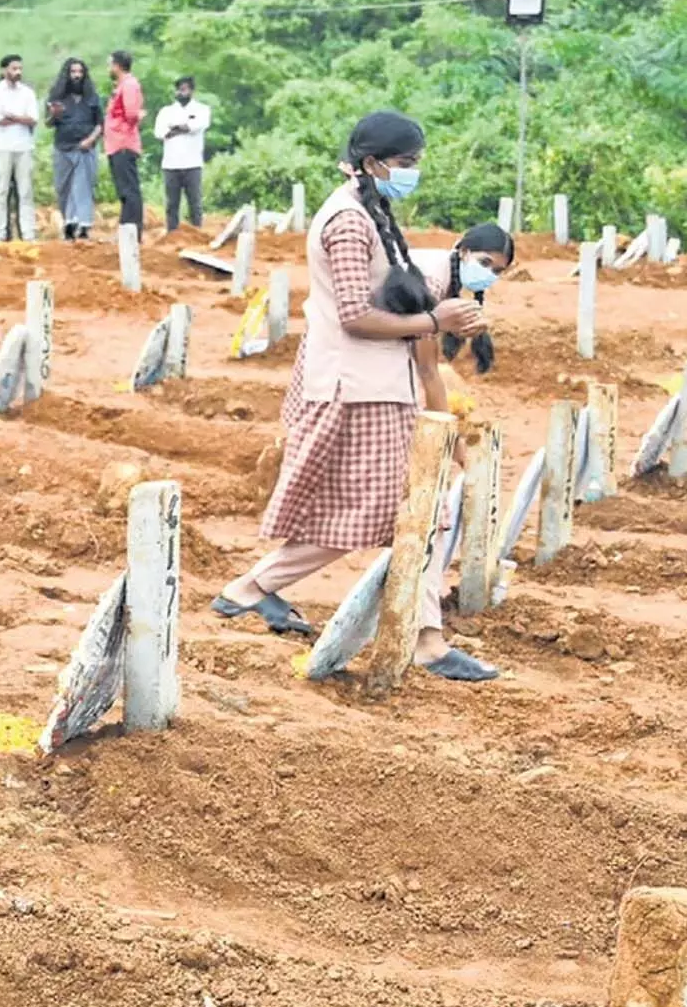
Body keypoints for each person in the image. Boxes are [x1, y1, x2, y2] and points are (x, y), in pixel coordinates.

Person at [210, 110, 500, 683]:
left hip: (376, 386)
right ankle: (427, 642)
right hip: (358, 389)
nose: (412, 174)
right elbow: (354, 315)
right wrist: (431, 319)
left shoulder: (369, 209)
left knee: (393, 513)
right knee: (407, 512)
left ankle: (252, 588)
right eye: (406, 164)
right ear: (373, 163)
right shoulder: (347, 221)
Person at [426, 223, 512, 374]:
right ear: (464, 252)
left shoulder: (451, 275)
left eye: (496, 271)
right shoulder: (433, 279)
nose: (488, 273)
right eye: (484, 263)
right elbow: (424, 364)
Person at [47, 58, 103, 241]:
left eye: (80, 72)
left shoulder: (93, 98)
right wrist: (53, 115)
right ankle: (68, 222)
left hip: (85, 148)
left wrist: (91, 139)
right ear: (67, 74)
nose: (77, 76)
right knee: (64, 187)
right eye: (73, 72)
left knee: (83, 187)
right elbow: (48, 124)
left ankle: (84, 225)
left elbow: (101, 124)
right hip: (63, 148)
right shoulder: (56, 97)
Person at [0, 54, 39, 242]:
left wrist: (12, 117)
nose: (18, 72)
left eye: (20, 69)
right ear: (4, 70)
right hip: (3, 147)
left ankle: (28, 233)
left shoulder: (27, 93)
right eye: (14, 69)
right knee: (1, 191)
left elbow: (33, 119)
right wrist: (20, 118)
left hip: (24, 146)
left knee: (25, 191)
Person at [154, 76, 211, 232]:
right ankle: (172, 234)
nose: (181, 92)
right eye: (179, 89)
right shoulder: (166, 111)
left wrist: (175, 129)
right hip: (171, 164)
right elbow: (159, 132)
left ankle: (197, 232)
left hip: (193, 164)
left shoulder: (202, 109)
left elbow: (197, 126)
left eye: (184, 89)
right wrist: (182, 128)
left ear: (191, 91)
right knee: (172, 204)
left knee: (195, 203)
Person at [104, 49, 145, 230]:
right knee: (124, 189)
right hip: (115, 143)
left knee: (129, 189)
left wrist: (137, 117)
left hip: (123, 143)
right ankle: (127, 227)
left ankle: (132, 230)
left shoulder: (129, 84)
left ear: (117, 65)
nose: (108, 68)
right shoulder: (121, 85)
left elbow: (131, 113)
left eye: (110, 64)